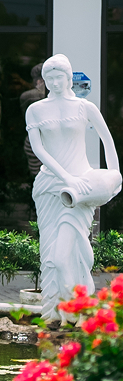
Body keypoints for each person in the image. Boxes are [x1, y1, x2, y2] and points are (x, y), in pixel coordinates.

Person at [27, 53, 121, 320]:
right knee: (49, 255)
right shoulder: (36, 110)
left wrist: (115, 175)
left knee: (68, 253)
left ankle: (78, 309)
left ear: (69, 78)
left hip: (79, 189)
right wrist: (63, 177)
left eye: (59, 77)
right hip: (49, 187)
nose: (55, 83)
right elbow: (39, 150)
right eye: (49, 79)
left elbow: (108, 140)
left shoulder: (84, 107)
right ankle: (58, 313)